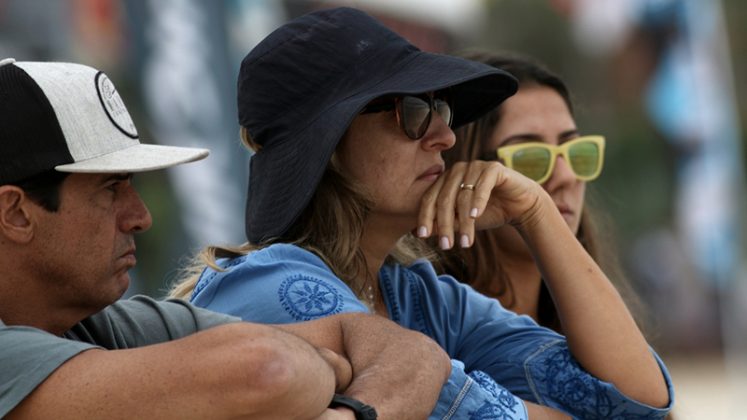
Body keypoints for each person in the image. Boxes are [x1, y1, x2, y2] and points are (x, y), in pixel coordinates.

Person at [170, 7, 674, 419]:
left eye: (442, 110)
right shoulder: (267, 283)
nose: (445, 137)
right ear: (328, 145)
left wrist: (537, 212)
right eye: (412, 112)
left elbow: (636, 404)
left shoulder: (420, 296)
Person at [0, 58, 451, 420]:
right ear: (16, 213)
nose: (141, 217)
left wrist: (354, 413)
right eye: (110, 188)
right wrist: (324, 369)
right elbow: (265, 372)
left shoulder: (104, 324)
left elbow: (406, 349)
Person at [436, 50, 644, 333]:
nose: (567, 176)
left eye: (578, 153)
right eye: (531, 157)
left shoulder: (595, 333)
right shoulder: (435, 328)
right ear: (465, 170)